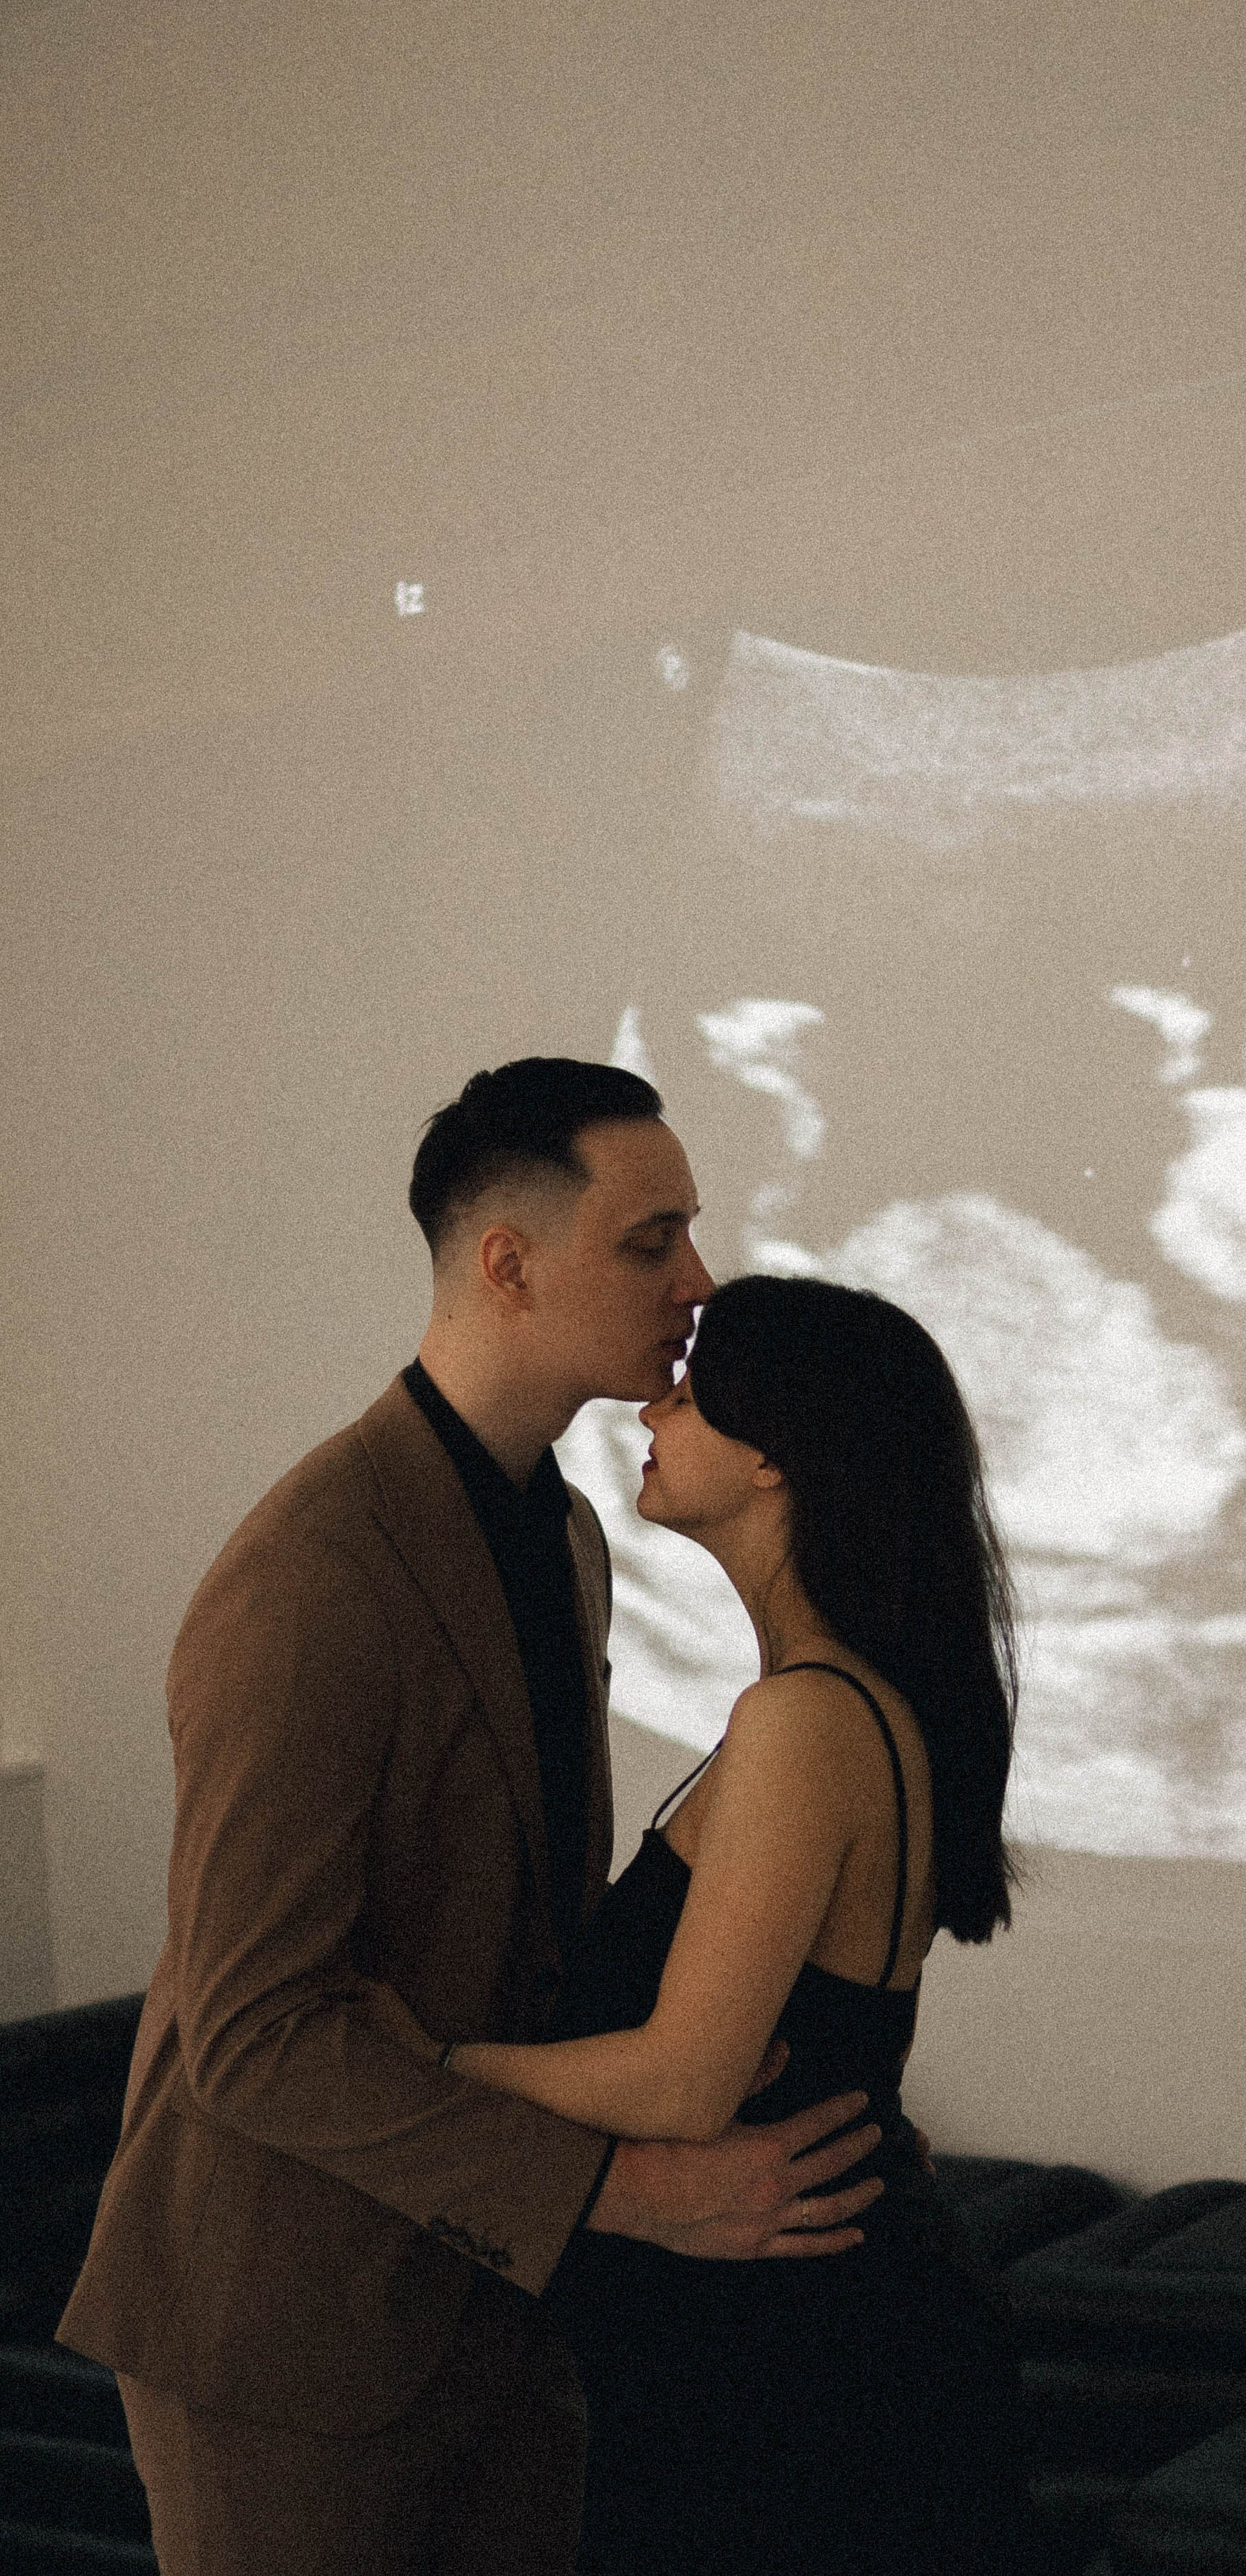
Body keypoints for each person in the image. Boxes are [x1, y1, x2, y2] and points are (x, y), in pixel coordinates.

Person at [58, 1059, 886, 2576]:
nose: (697, 1283)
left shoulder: (565, 1532)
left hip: (496, 2308)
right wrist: (632, 2192)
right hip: (287, 2334)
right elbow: (253, 2035)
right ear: (506, 1261)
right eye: (652, 1242)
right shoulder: (311, 1576)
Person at [365, 1271, 1029, 2575]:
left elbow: (681, 2081)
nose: (655, 1410)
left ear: (777, 1456)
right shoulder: (833, 1706)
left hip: (799, 2379)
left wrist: (420, 2068)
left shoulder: (805, 1721)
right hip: (795, 2348)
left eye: (693, 1391)